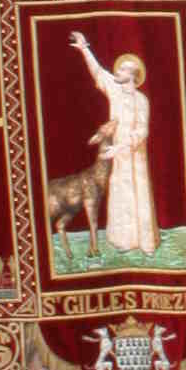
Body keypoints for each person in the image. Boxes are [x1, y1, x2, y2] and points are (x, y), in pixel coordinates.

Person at [68, 32, 158, 253]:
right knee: (120, 190)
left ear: (132, 75)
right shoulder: (115, 91)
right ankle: (123, 241)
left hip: (134, 154)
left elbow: (142, 130)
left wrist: (120, 147)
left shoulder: (142, 100)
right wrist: (84, 48)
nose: (116, 71)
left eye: (122, 69)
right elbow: (98, 72)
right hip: (116, 155)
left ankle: (144, 240)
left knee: (138, 191)